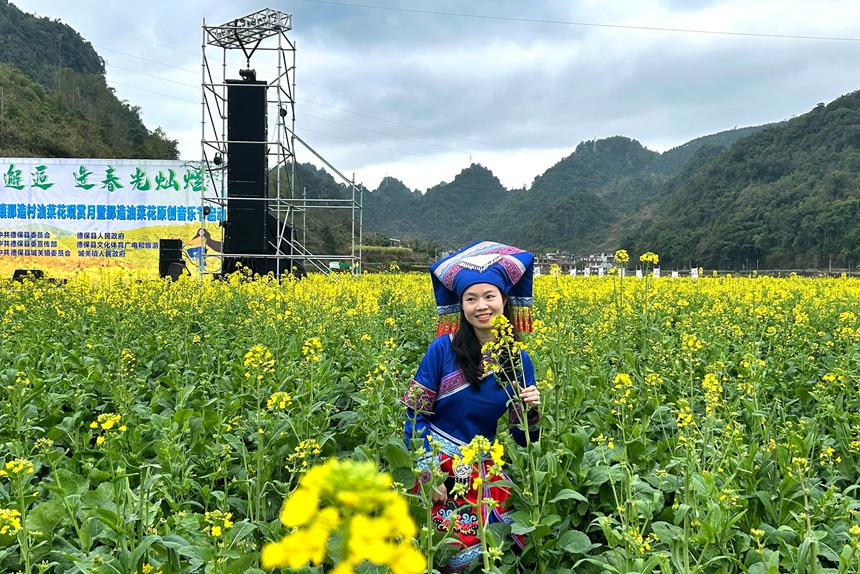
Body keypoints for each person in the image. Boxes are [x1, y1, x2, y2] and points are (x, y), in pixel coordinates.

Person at [401, 240, 540, 573]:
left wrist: (531, 411)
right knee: (438, 549)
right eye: (471, 298)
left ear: (505, 301)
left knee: (504, 544)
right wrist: (427, 471)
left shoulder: (519, 360)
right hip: (436, 464)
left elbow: (525, 440)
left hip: (484, 467)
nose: (482, 306)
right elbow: (415, 414)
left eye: (489, 296)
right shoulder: (441, 349)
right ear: (460, 305)